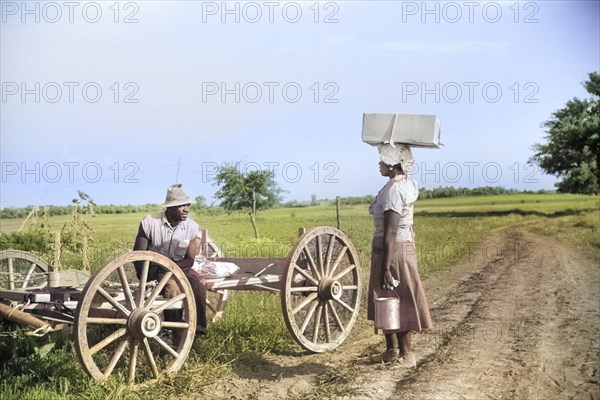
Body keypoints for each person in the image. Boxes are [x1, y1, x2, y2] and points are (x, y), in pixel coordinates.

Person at [368, 144, 432, 367]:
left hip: (393, 251)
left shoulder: (395, 191)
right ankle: (391, 350)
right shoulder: (402, 183)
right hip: (392, 249)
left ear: (393, 163)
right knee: (385, 298)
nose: (379, 164)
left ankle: (407, 355)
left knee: (398, 297)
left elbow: (391, 232)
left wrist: (386, 267)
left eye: (382, 160)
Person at [133, 183, 208, 337]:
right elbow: (138, 255)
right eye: (181, 206)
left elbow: (190, 260)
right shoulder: (150, 223)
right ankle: (174, 331)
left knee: (200, 283)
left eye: (188, 205)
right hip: (154, 268)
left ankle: (200, 328)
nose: (186, 209)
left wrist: (172, 267)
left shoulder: (191, 227)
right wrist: (145, 279)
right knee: (172, 287)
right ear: (169, 208)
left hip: (180, 266)